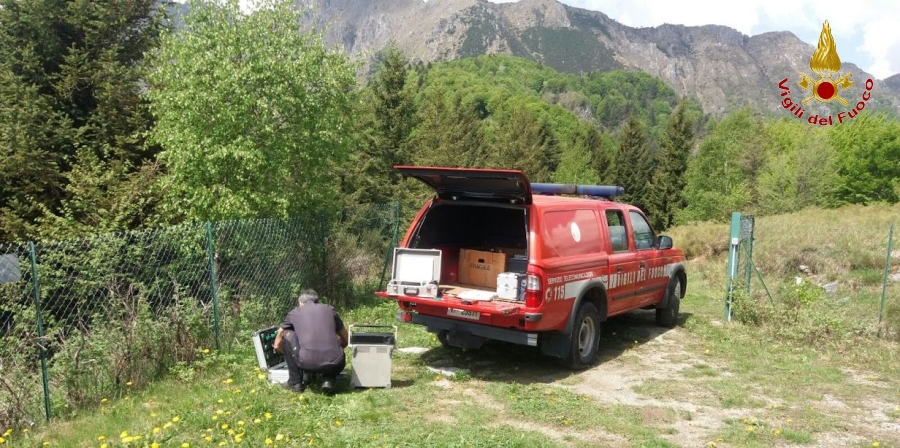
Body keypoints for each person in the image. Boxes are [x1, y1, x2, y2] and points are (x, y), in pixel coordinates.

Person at [273, 288, 348, 395]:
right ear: (317, 301)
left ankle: (295, 383)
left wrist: (291, 356)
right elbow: (346, 339)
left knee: (287, 334)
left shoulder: (294, 313)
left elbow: (276, 345)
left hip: (306, 363)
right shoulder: (330, 310)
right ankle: (329, 379)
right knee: (332, 353)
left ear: (300, 302)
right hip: (336, 364)